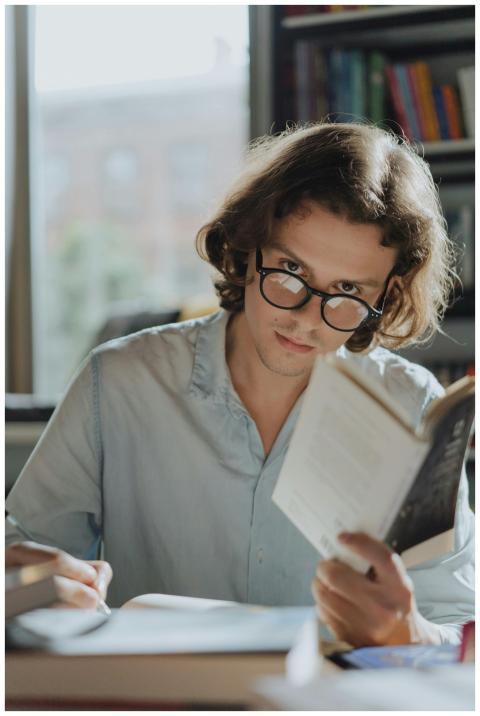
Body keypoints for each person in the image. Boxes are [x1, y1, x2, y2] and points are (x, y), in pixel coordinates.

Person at [5, 122, 474, 647]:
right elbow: (21, 569)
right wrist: (25, 588)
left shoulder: (412, 409)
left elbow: (461, 628)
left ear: (386, 293)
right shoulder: (118, 382)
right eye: (291, 270)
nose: (306, 318)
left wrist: (406, 631)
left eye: (347, 290)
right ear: (247, 247)